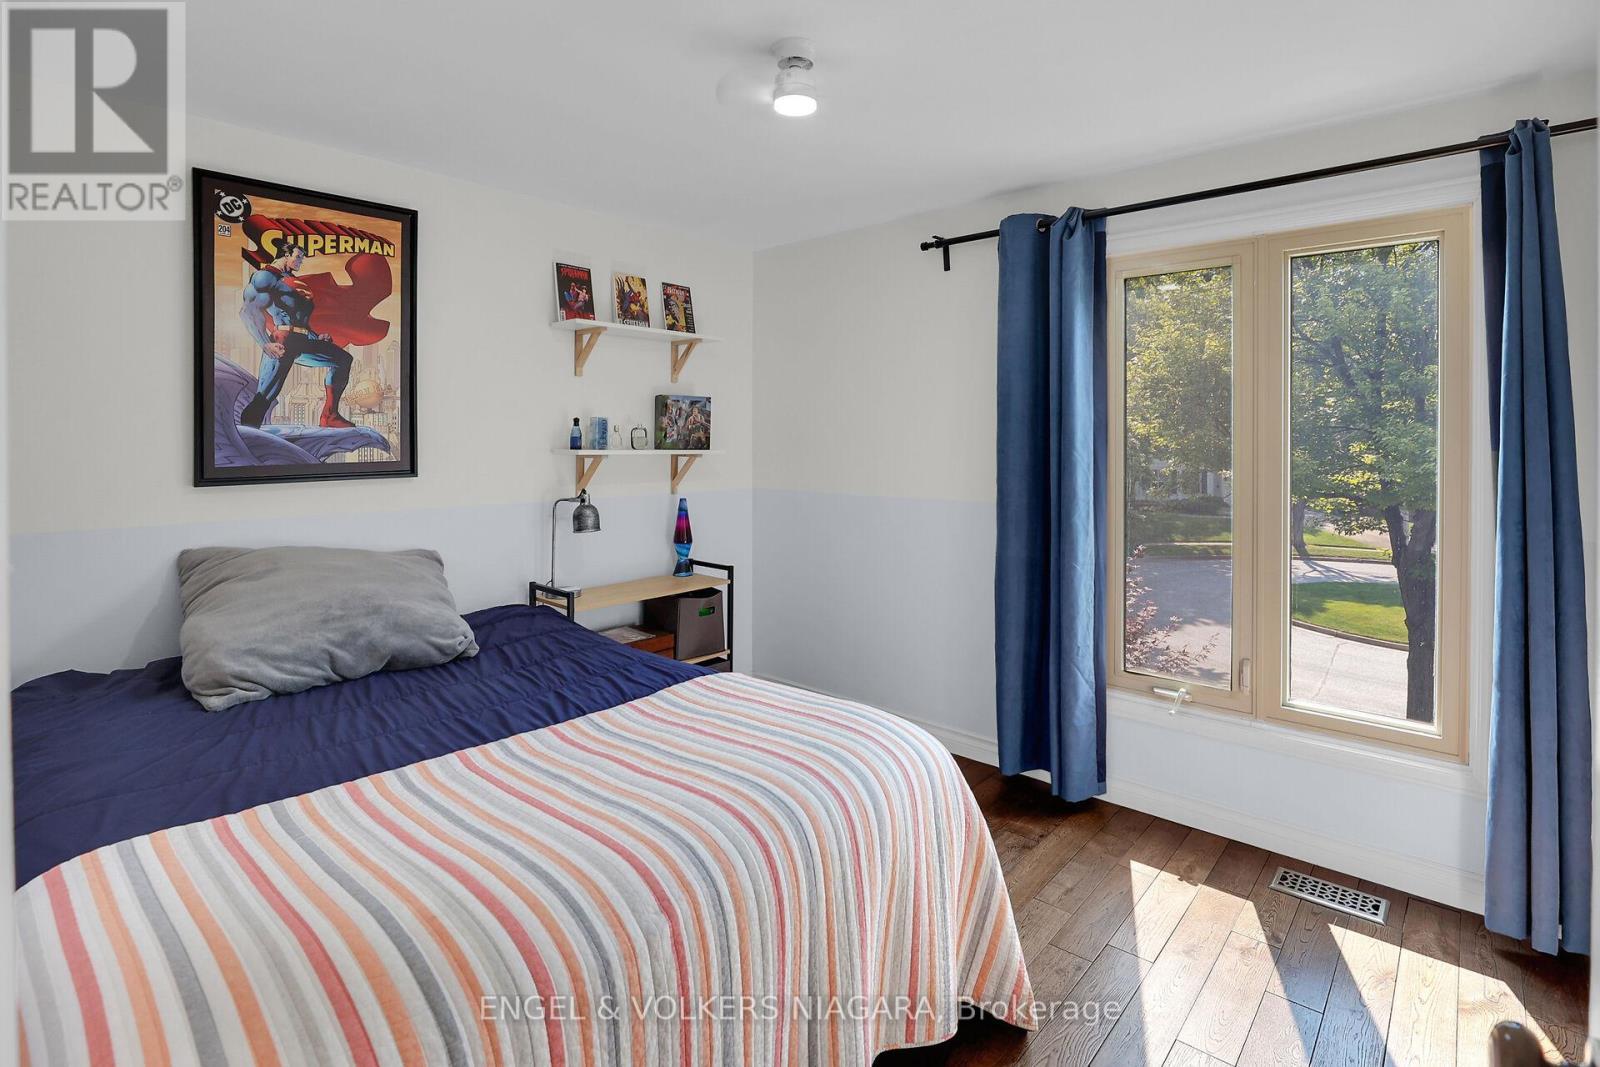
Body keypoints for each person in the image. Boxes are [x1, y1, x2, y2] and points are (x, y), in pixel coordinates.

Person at [237, 244, 357, 429]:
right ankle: (244, 435)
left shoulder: (289, 279)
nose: (301, 261)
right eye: (298, 257)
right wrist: (264, 344)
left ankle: (329, 416)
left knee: (342, 359)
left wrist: (316, 338)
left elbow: (300, 321)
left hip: (303, 340)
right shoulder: (265, 276)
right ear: (285, 255)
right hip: (282, 342)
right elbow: (248, 311)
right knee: (265, 396)